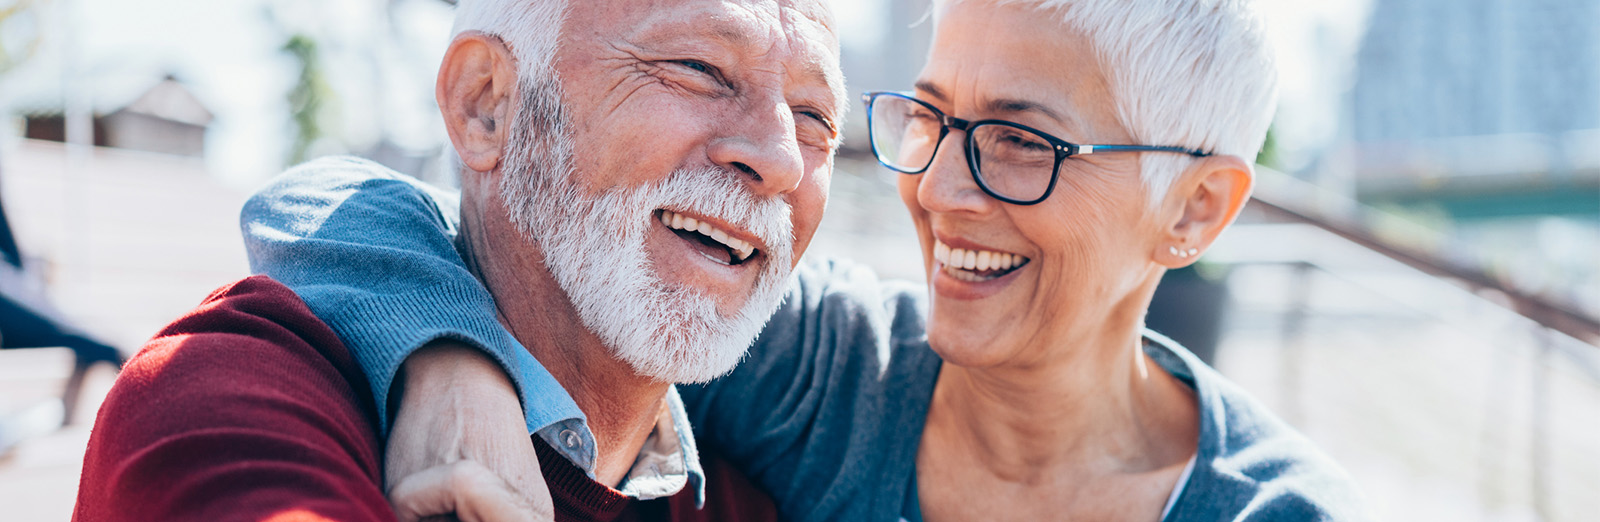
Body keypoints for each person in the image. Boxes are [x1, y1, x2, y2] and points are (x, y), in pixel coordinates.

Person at [242, 0, 1374, 521]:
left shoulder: (1272, 513)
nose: (940, 189)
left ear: (1197, 209)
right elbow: (342, 206)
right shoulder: (828, 370)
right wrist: (453, 359)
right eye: (927, 120)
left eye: (1023, 143)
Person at [73, 0, 846, 520]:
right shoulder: (233, 401)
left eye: (816, 118)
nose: (780, 158)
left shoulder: (742, 500)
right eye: (700, 70)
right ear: (486, 104)